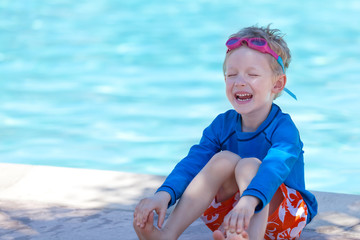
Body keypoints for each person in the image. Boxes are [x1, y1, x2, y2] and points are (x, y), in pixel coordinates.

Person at [133, 25, 318, 240]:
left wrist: (248, 201)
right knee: (222, 160)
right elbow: (193, 163)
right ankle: (168, 235)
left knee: (250, 165)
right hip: (232, 216)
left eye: (252, 74)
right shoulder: (222, 125)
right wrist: (163, 195)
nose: (239, 81)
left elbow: (274, 169)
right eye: (231, 74)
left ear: (277, 84)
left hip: (284, 219)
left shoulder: (284, 129)